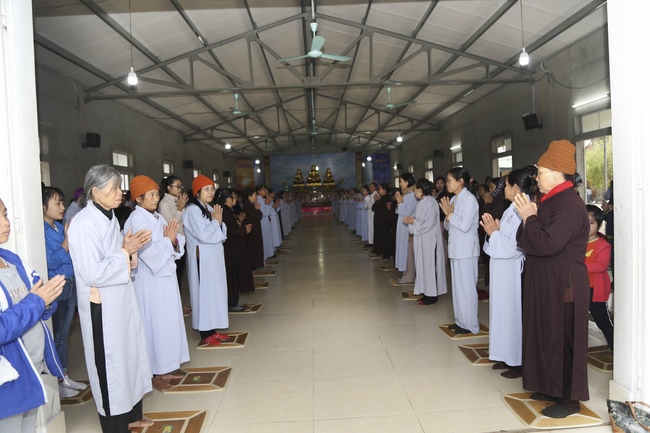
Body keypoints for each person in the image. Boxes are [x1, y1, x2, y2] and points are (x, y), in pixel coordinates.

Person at [68, 165, 154, 432]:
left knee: (128, 357)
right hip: (102, 307)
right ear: (95, 192)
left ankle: (131, 416)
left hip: (121, 301)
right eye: (114, 187)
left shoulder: (110, 217)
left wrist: (130, 252)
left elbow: (119, 254)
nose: (120, 192)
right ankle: (114, 426)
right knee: (110, 366)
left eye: (119, 186)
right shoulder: (84, 223)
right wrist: (124, 252)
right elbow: (92, 271)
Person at [514, 140, 590, 418]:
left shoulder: (569, 204)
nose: (536, 178)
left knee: (562, 340)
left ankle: (569, 400)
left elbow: (547, 243)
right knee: (545, 334)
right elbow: (525, 240)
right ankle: (550, 387)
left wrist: (530, 218)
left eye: (541, 172)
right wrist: (529, 219)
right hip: (544, 282)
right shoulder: (549, 200)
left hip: (563, 285)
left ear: (558, 173)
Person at [0, 197, 67, 433]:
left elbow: (39, 297)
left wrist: (47, 301)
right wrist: (37, 302)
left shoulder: (11, 259)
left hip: (31, 367)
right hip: (8, 377)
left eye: (5, 214)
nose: (5, 222)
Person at [124, 176, 189, 392]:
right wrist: (168, 240)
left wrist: (173, 240)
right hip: (149, 282)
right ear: (138, 198)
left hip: (166, 279)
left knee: (167, 323)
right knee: (152, 326)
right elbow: (149, 253)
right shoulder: (136, 220)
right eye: (150, 195)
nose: (155, 198)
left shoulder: (157, 217)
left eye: (156, 194)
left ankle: (166, 367)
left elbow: (176, 239)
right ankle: (152, 373)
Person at [480, 167, 537, 379]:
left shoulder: (525, 209)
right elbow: (501, 236)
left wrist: (494, 234)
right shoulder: (511, 208)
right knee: (501, 313)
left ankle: (518, 362)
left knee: (513, 316)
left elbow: (515, 246)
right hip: (501, 270)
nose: (503, 189)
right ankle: (505, 355)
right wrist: (492, 233)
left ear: (515, 188)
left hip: (513, 270)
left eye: (506, 185)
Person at [42, 187, 87, 398]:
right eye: (57, 203)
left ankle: (65, 376)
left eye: (62, 202)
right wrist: (68, 240)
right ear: (43, 207)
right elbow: (51, 261)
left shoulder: (60, 227)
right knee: (56, 335)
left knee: (64, 335)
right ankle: (58, 381)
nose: (62, 207)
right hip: (56, 287)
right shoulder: (41, 231)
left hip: (70, 284)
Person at [183, 175, 230, 346]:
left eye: (212, 188)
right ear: (197, 192)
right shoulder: (192, 210)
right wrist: (216, 222)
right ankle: (205, 332)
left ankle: (212, 329)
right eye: (206, 189)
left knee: (213, 293)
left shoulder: (208, 208)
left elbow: (221, 233)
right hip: (202, 261)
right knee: (204, 294)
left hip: (213, 260)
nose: (211, 192)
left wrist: (218, 222)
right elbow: (203, 235)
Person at [439, 167, 480, 335]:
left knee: (467, 288)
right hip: (456, 248)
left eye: (449, 180)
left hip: (466, 250)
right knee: (457, 288)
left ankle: (470, 324)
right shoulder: (454, 199)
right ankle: (460, 321)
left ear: (461, 181)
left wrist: (449, 215)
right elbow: (448, 225)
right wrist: (448, 216)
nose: (447, 184)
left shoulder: (469, 200)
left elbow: (464, 225)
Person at [403, 179, 447, 305]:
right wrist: (412, 220)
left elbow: (429, 223)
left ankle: (431, 295)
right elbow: (419, 219)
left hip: (430, 240)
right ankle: (425, 291)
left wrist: (414, 222)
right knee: (422, 266)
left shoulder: (431, 202)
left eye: (415, 190)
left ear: (420, 190)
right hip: (422, 240)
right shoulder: (422, 202)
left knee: (429, 267)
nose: (414, 193)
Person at [158, 175, 190, 315]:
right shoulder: (164, 204)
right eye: (177, 186)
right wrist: (180, 208)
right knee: (175, 276)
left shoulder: (178, 201)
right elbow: (172, 224)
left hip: (182, 242)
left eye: (180, 186)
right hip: (173, 244)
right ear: (168, 187)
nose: (180, 189)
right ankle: (174, 307)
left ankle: (178, 304)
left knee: (180, 275)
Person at [584, 205, 614, 351]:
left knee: (604, 323)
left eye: (591, 223)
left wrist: (578, 267)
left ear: (599, 224)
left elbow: (601, 266)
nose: (586, 226)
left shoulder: (603, 245)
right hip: (578, 288)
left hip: (595, 291)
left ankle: (617, 349)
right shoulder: (575, 242)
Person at [218, 188, 253, 310]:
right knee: (231, 276)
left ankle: (234, 301)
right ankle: (231, 303)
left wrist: (241, 223)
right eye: (234, 197)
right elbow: (230, 230)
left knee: (235, 275)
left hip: (235, 248)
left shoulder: (229, 210)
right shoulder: (225, 211)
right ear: (228, 199)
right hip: (231, 249)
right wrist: (244, 230)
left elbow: (233, 225)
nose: (236, 199)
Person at [394, 173, 417, 283]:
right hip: (403, 225)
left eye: (401, 181)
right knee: (404, 249)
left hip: (407, 225)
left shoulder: (410, 195)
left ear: (407, 182)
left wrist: (400, 203)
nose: (400, 184)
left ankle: (408, 276)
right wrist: (400, 204)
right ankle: (405, 274)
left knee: (407, 251)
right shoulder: (407, 194)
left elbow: (408, 212)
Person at [242, 189, 265, 270]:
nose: (256, 198)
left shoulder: (251, 205)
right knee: (253, 246)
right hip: (252, 230)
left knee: (256, 246)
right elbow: (257, 216)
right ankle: (254, 264)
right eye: (255, 196)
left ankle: (257, 263)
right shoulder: (248, 206)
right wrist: (258, 209)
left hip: (255, 228)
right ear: (249, 197)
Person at [371, 184, 395, 260]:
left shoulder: (385, 199)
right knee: (383, 237)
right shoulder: (382, 199)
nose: (378, 190)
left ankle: (385, 254)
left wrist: (376, 201)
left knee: (384, 238)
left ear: (385, 190)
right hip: (382, 222)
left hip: (384, 222)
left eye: (380, 189)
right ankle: (384, 253)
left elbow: (374, 208)